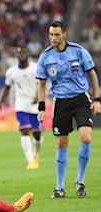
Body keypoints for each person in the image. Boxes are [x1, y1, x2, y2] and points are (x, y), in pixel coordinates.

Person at [37, 21, 101, 199]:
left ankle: (80, 180)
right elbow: (41, 84)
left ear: (64, 34)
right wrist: (41, 108)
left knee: (86, 137)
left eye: (56, 34)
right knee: (62, 143)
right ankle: (60, 187)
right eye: (51, 34)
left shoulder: (78, 51)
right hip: (61, 102)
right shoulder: (45, 57)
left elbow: (93, 75)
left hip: (80, 98)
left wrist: (96, 99)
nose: (53, 38)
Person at [0, 46, 42, 170]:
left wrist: (38, 96)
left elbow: (42, 84)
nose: (21, 54)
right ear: (16, 55)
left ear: (28, 54)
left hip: (35, 105)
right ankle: (31, 160)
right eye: (19, 52)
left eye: (24, 52)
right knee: (25, 131)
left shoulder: (35, 68)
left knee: (37, 134)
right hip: (21, 104)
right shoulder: (11, 71)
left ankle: (36, 155)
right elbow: (7, 87)